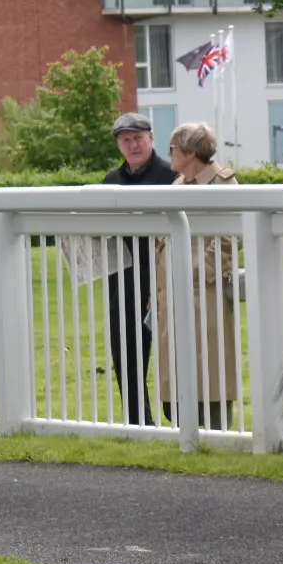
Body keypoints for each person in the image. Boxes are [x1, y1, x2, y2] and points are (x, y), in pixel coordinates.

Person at [154, 122, 241, 431]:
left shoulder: (223, 183)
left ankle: (214, 435)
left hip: (208, 293)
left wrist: (196, 274)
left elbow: (231, 237)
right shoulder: (178, 185)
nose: (169, 155)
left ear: (191, 152)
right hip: (173, 292)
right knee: (174, 373)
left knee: (211, 371)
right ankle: (184, 431)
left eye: (173, 149)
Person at [101, 112, 176, 425]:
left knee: (174, 353)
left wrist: (162, 285)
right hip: (122, 281)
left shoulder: (172, 175)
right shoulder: (110, 182)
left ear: (152, 139)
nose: (132, 145)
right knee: (126, 354)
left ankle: (181, 420)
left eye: (138, 138)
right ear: (120, 145)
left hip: (163, 278)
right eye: (126, 140)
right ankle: (138, 424)